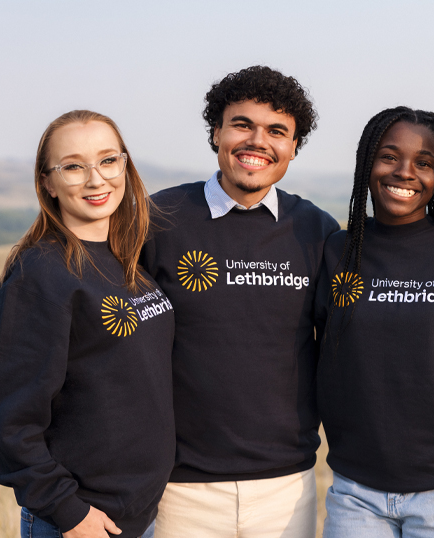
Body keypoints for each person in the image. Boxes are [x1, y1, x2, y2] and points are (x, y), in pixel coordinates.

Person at [140, 65, 339, 538]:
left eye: (277, 131)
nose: (257, 141)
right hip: (177, 487)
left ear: (293, 147)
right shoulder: (158, 219)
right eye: (242, 124)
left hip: (286, 486)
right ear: (217, 132)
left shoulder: (318, 232)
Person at [0, 110, 176, 538]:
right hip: (81, 522)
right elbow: (7, 421)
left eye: (108, 160)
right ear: (47, 182)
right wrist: (67, 511)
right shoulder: (41, 273)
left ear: (125, 165)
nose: (95, 179)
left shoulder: (128, 258)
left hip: (138, 514)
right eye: (72, 166)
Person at [316, 106, 434, 538]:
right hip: (355, 490)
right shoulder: (338, 250)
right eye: (389, 156)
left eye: (424, 163)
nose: (405, 172)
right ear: (367, 163)